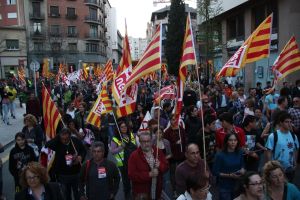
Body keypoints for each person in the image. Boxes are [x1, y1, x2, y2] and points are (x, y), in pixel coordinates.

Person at [45, 128, 86, 200]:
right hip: (62, 174)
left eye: (66, 139)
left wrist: (80, 157)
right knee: (66, 194)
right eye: (62, 138)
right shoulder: (56, 142)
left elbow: (83, 150)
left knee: (77, 193)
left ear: (70, 136)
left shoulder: (75, 141)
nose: (64, 140)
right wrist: (57, 137)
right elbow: (47, 145)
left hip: (76, 173)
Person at [128, 132, 169, 199]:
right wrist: (148, 174)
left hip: (157, 190)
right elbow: (131, 175)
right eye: (144, 142)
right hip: (142, 194)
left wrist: (160, 165)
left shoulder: (157, 151)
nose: (146, 144)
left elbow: (166, 167)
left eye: (148, 141)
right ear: (140, 142)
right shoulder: (134, 156)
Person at [265, 111, 299, 181]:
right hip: (277, 168)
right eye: (287, 122)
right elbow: (269, 151)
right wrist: (271, 165)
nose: (289, 124)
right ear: (281, 123)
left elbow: (295, 149)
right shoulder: (273, 136)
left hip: (290, 168)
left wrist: (295, 162)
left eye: (290, 122)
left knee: (289, 187)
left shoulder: (293, 136)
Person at [213, 133, 245, 200]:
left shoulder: (240, 152)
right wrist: (229, 175)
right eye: (230, 140)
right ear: (226, 141)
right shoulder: (220, 155)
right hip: (224, 186)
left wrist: (242, 170)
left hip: (237, 185)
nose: (233, 142)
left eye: (235, 140)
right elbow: (215, 172)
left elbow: (242, 165)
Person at [110, 120, 136, 199]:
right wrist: (121, 147)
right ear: (118, 129)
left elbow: (135, 147)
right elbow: (112, 151)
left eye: (125, 126)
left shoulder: (131, 135)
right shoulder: (115, 139)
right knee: (126, 183)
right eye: (122, 127)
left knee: (135, 181)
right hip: (122, 164)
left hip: (133, 162)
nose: (124, 128)